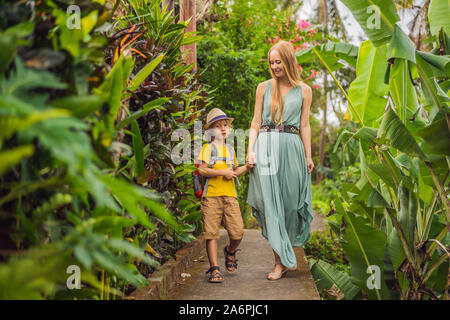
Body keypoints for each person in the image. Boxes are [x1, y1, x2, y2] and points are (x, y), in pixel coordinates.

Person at [246, 40, 314, 280]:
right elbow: (255, 122)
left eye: (278, 62)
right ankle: (278, 262)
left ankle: (287, 254)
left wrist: (308, 155)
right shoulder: (263, 88)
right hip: (265, 145)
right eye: (271, 62)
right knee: (271, 206)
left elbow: (304, 124)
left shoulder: (304, 90)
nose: (274, 66)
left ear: (288, 61)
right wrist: (249, 150)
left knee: (290, 203)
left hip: (292, 147)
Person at [197, 108, 251, 283]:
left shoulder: (230, 150)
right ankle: (214, 269)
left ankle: (230, 251)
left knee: (238, 232)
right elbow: (202, 169)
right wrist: (222, 174)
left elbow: (234, 172)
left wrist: (248, 167)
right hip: (211, 196)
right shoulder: (207, 148)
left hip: (230, 196)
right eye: (218, 126)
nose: (222, 128)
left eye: (225, 125)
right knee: (211, 234)